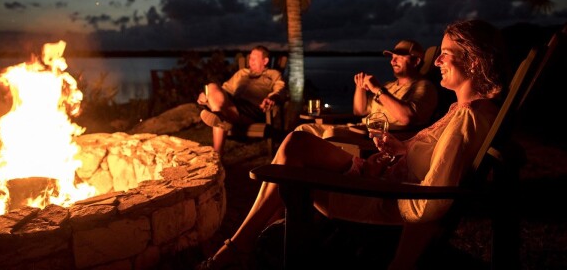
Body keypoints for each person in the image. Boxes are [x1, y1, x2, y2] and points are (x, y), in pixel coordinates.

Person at [196, 19, 509, 270]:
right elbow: (391, 129)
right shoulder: (459, 109)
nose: (437, 59)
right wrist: (400, 150)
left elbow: (430, 201)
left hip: (381, 194)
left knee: (294, 155)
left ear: (473, 61)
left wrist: (403, 262)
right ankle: (245, 238)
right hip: (381, 170)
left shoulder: (466, 114)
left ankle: (238, 244)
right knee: (298, 140)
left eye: (445, 53)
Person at [296, 39, 438, 138]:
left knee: (330, 136)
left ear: (416, 61)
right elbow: (360, 111)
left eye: (399, 57)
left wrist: (377, 90)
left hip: (379, 137)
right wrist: (360, 87)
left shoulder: (424, 87)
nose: (392, 61)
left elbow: (407, 118)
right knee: (302, 130)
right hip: (358, 129)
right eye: (392, 57)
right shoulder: (389, 86)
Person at [197, 45, 287, 156]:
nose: (250, 61)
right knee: (211, 85)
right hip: (232, 104)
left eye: (254, 58)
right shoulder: (242, 73)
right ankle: (220, 116)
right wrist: (208, 95)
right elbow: (225, 90)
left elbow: (280, 89)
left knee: (220, 115)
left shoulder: (274, 74)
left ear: (265, 61)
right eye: (250, 58)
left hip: (252, 109)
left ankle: (219, 118)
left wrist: (273, 97)